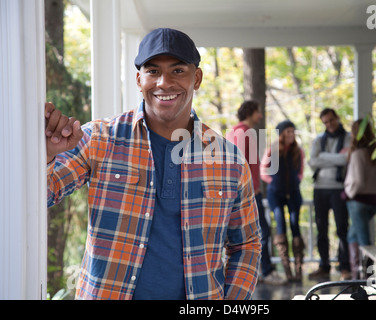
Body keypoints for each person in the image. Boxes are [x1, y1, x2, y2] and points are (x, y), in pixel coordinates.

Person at [45, 28, 261, 300]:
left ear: (197, 78)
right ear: (139, 80)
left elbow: (247, 244)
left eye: (178, 71)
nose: (163, 83)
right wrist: (47, 156)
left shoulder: (228, 159)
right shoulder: (99, 138)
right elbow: (45, 193)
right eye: (153, 71)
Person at [226, 100, 286, 285]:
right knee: (261, 232)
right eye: (258, 112)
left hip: (236, 192)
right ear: (251, 112)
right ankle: (266, 272)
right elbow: (241, 164)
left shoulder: (231, 132)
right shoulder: (245, 133)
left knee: (241, 235)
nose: (260, 116)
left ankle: (248, 273)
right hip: (248, 192)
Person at [308, 108, 351, 281]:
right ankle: (324, 266)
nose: (329, 124)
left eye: (331, 120)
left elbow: (346, 159)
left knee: (342, 228)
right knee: (321, 229)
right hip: (320, 189)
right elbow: (312, 162)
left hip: (339, 188)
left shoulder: (348, 138)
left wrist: (323, 157)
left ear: (337, 118)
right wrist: (334, 158)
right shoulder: (319, 140)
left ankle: (345, 267)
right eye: (325, 122)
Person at [260, 120, 306, 282]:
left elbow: (300, 171)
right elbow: (263, 170)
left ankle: (298, 270)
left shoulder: (298, 151)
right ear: (281, 133)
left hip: (293, 193)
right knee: (280, 224)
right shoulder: (272, 150)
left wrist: (297, 180)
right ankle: (287, 270)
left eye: (293, 131)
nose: (291, 135)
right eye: (288, 131)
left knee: (295, 225)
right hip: (276, 194)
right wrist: (273, 182)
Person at [342, 119, 376, 279]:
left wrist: (348, 193)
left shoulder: (357, 153)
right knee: (352, 236)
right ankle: (356, 276)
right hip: (372, 201)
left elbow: (358, 181)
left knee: (363, 239)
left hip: (357, 201)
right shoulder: (375, 153)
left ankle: (369, 278)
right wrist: (375, 191)